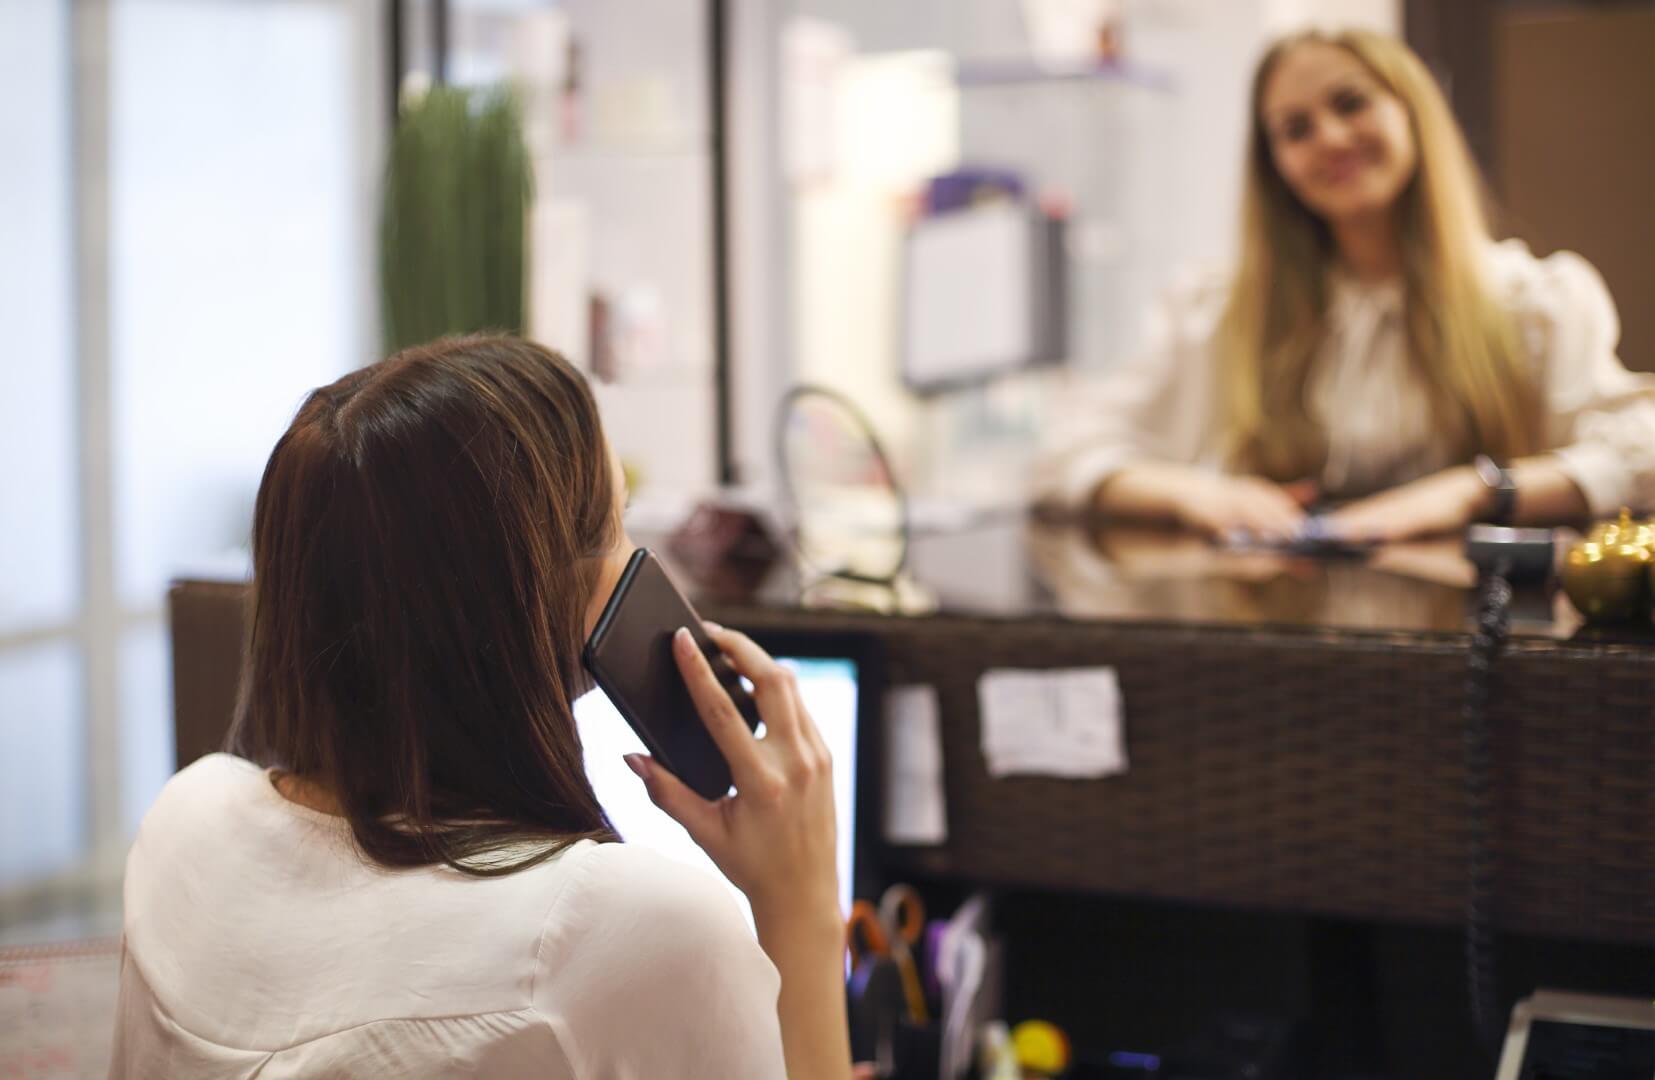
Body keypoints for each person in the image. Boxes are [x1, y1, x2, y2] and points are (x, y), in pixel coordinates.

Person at [109, 336, 854, 1078]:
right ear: (543, 598)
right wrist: (802, 911)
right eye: (618, 526)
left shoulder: (187, 821)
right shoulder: (634, 930)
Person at [1036, 29, 1655, 542]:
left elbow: (1640, 455)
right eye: (1295, 129)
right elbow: (1061, 454)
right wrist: (1195, 495)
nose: (1330, 138)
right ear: (1274, 165)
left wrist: (1470, 493)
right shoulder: (1219, 312)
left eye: (1351, 103)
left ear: (1412, 112)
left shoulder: (1537, 301)